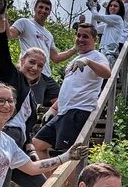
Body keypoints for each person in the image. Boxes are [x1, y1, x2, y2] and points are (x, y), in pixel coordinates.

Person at [0, 0, 48, 187]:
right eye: (31, 62)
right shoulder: (10, 75)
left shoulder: (32, 100)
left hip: (18, 147)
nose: (35, 67)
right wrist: (0, 16)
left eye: (40, 66)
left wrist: (32, 154)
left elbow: (27, 133)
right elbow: (1, 49)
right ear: (22, 60)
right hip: (1, 139)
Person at [33, 25, 111, 159]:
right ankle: (47, 179)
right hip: (64, 111)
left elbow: (107, 73)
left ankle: (70, 181)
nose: (80, 39)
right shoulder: (75, 59)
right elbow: (68, 90)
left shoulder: (97, 56)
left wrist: (88, 61)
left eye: (85, 36)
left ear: (94, 39)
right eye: (78, 35)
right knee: (37, 143)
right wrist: (52, 108)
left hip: (78, 111)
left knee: (69, 154)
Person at [8, 0, 76, 106]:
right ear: (34, 9)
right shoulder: (25, 23)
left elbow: (56, 57)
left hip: (46, 74)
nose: (43, 10)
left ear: (49, 12)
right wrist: (2, 16)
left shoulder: (49, 35)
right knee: (31, 106)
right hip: (31, 72)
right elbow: (9, 34)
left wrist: (74, 49)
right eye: (41, 7)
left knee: (62, 101)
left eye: (47, 9)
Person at [91, 0, 125, 69]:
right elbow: (94, 29)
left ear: (120, 9)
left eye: (115, 6)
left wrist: (93, 7)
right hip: (103, 51)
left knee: (106, 76)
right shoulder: (108, 24)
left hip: (110, 51)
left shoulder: (117, 18)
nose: (112, 7)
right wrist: (94, 10)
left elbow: (96, 16)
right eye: (111, 5)